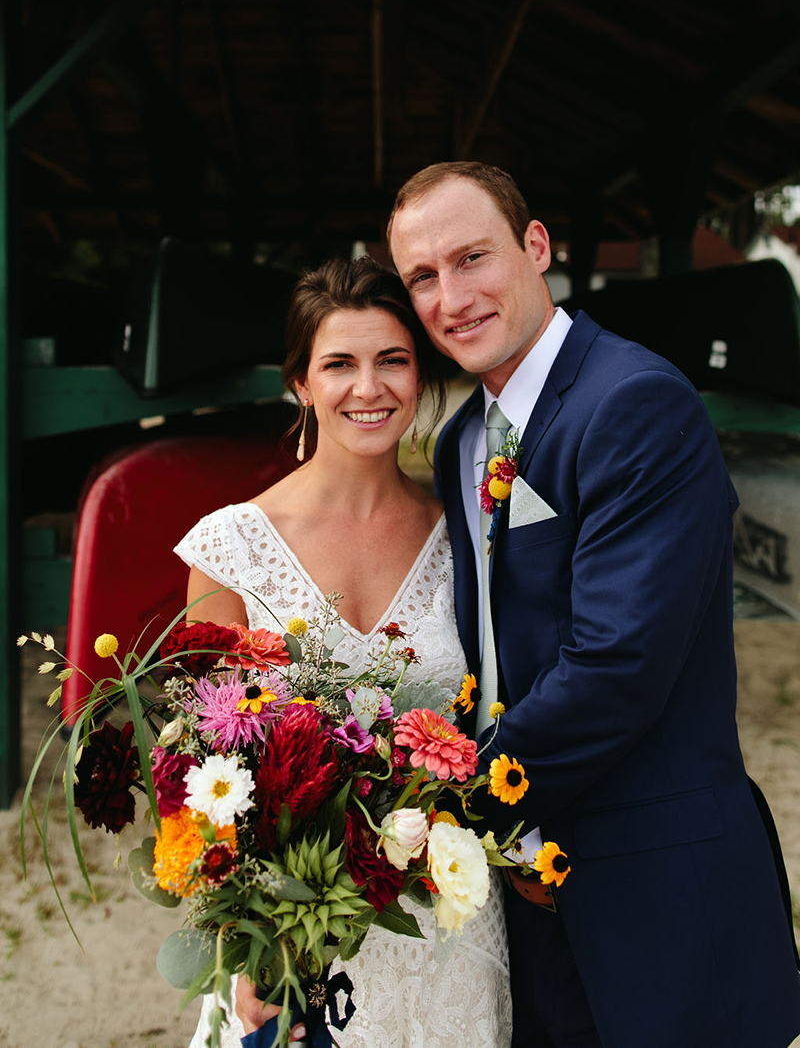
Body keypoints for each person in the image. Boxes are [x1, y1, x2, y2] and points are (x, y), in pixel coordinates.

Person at [387, 160, 800, 1048]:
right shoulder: (462, 439)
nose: (450, 296)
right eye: (422, 276)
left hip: (657, 887)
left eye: (472, 257)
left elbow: (618, 665)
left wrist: (454, 813)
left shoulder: (637, 402)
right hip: (525, 898)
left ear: (537, 247)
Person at [175, 256, 513, 1048]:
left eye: (392, 360)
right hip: (294, 936)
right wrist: (245, 936)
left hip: (446, 929)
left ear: (421, 373)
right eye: (340, 363)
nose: (369, 388)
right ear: (300, 382)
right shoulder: (231, 547)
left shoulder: (467, 535)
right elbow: (206, 769)